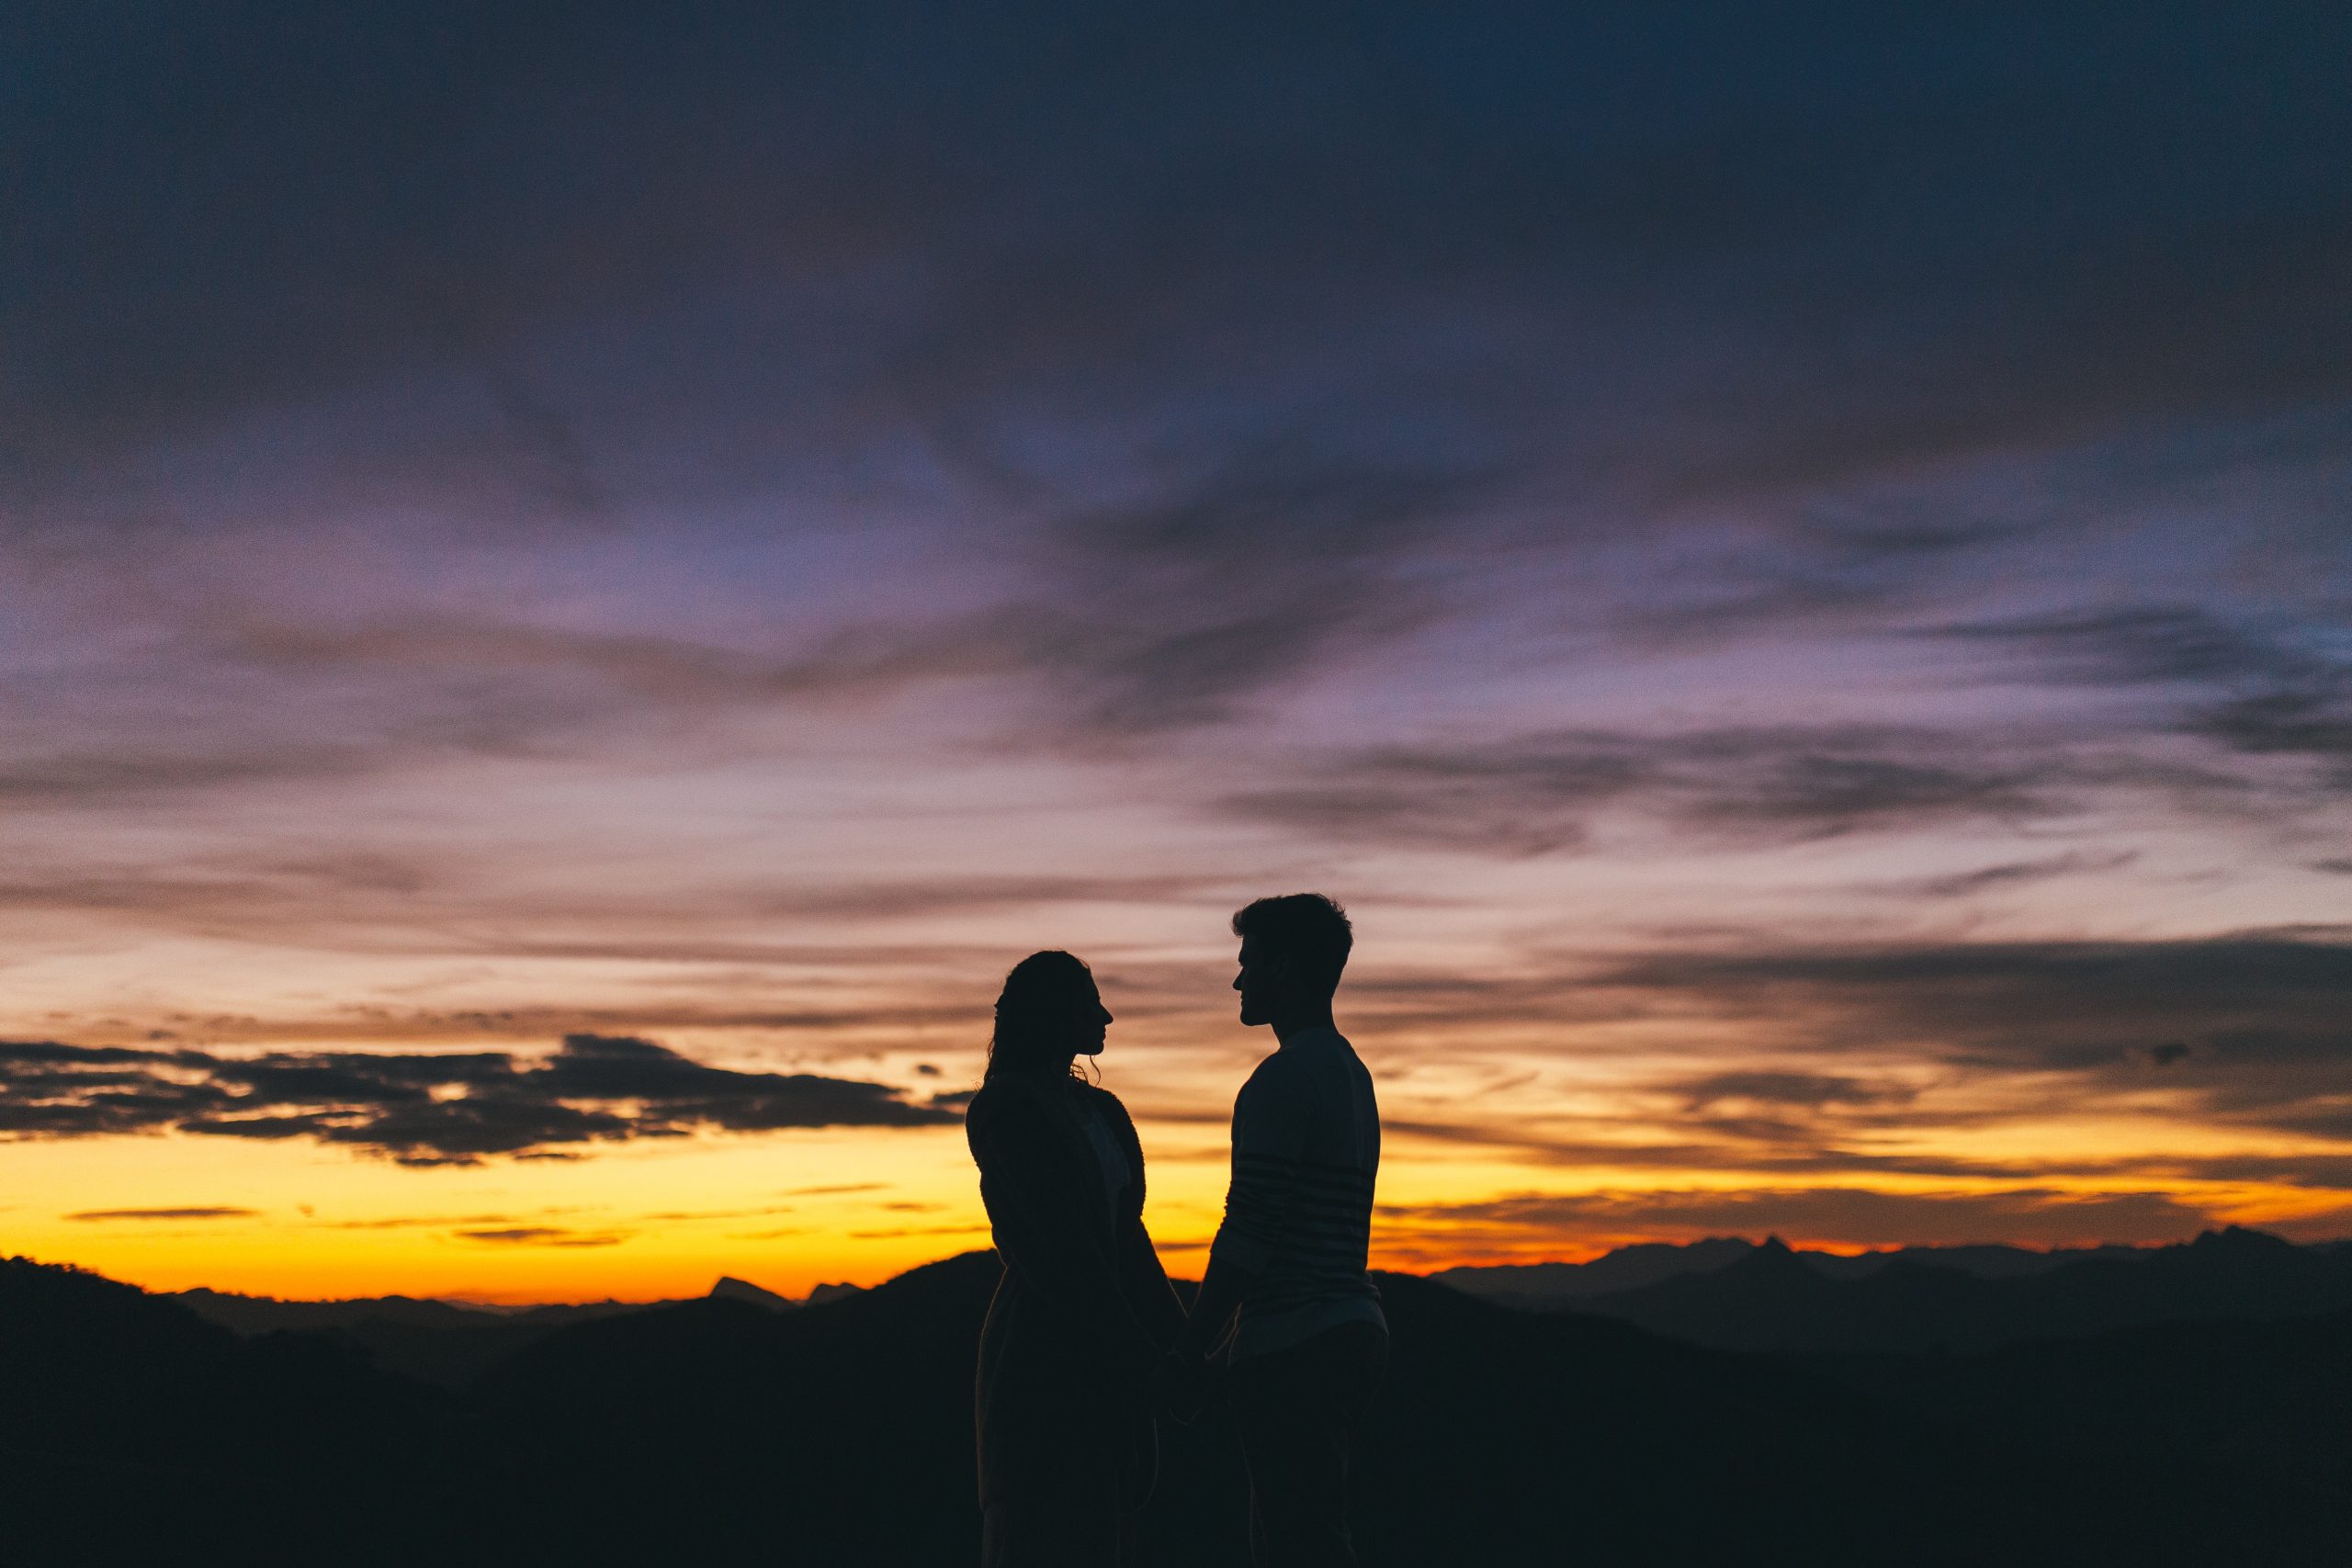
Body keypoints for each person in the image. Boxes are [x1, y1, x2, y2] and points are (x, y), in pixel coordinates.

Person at [1176, 894, 1385, 1568]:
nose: (1238, 979)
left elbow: (1249, 1237)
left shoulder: (1281, 1080)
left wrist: (1188, 1349)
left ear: (1285, 970)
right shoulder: (1352, 1074)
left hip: (1298, 1345)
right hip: (1350, 1328)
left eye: (1249, 962)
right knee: (1311, 1530)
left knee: (1297, 1544)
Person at [965, 950, 1187, 1568]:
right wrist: (1149, 1356)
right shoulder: (1009, 1110)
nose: (1107, 1015)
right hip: (1044, 1355)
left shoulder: (1100, 1112)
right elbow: (1064, 1253)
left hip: (1101, 1358)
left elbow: (1127, 1243)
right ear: (1057, 1012)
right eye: (1092, 1002)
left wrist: (1184, 1346)